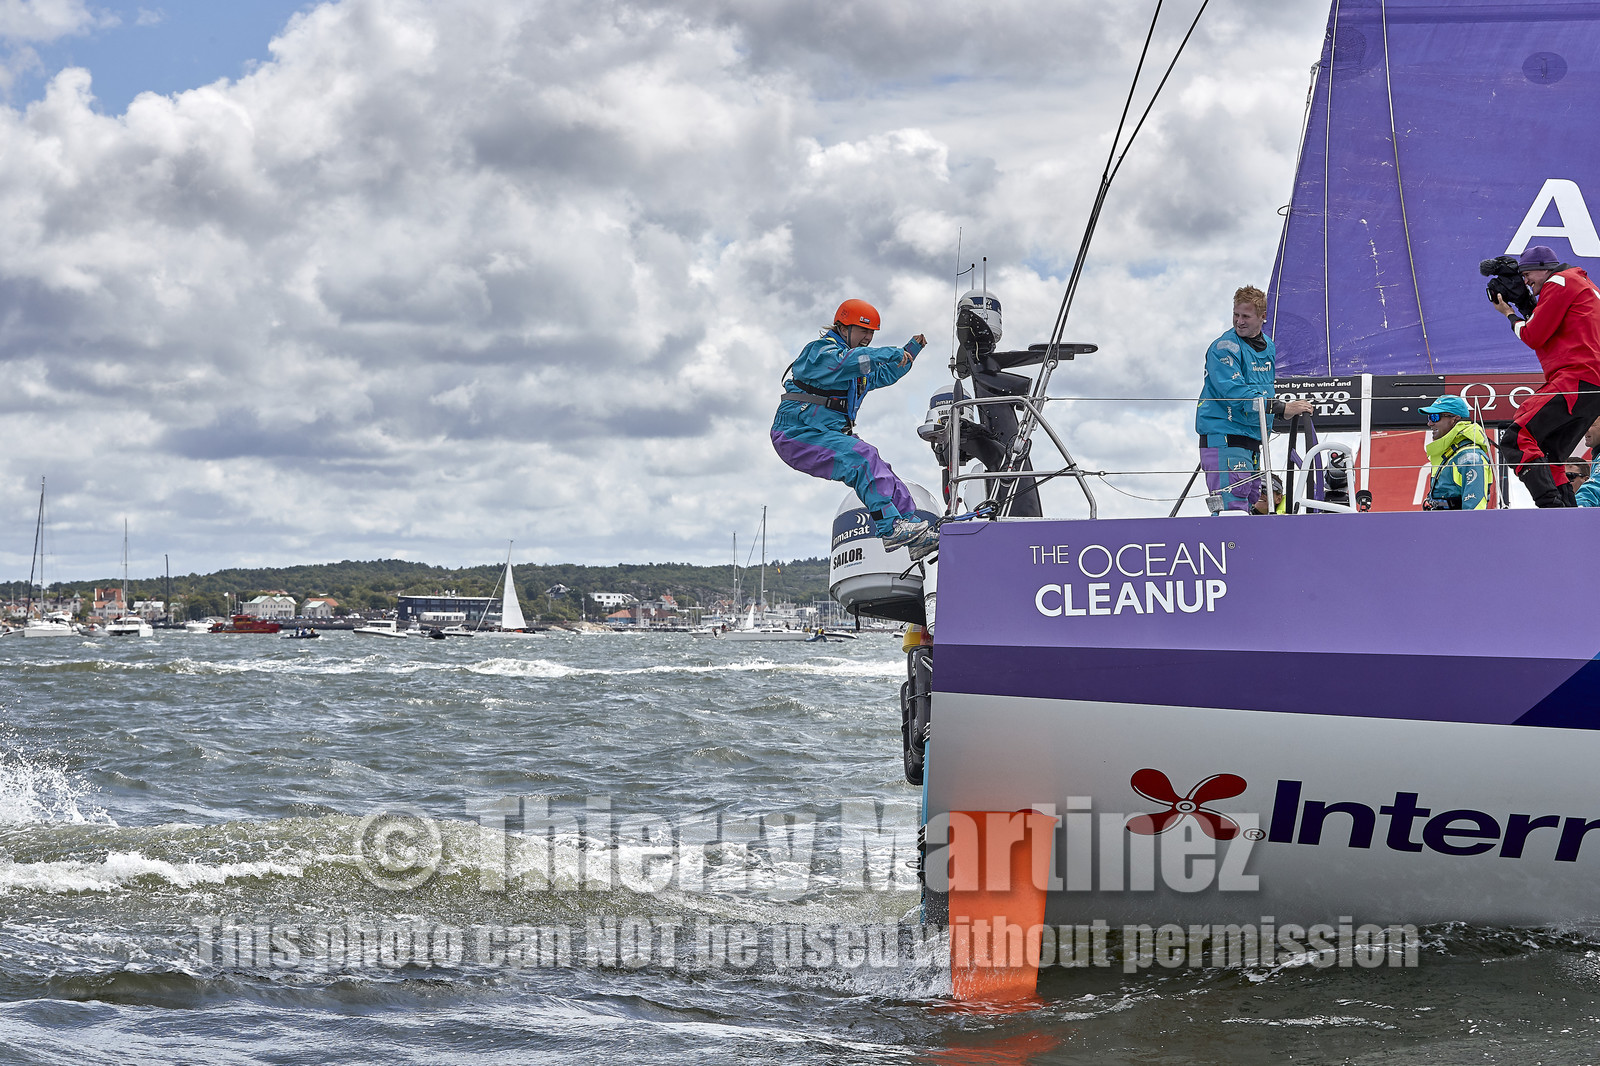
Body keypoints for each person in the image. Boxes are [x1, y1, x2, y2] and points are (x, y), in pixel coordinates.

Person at [771, 299, 937, 559]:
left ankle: (912, 529)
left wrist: (909, 352)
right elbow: (844, 362)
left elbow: (883, 374)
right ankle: (891, 528)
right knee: (862, 458)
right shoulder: (820, 352)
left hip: (827, 433)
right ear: (843, 327)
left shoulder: (858, 367)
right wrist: (890, 352)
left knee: (880, 467)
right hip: (796, 434)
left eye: (871, 333)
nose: (868, 338)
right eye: (863, 330)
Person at [1489, 245, 1600, 506]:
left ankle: (1551, 509)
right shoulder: (1581, 283)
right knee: (1550, 453)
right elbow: (1552, 328)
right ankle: (1566, 515)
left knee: (1515, 439)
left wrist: (1508, 313)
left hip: (1576, 377)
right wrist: (1526, 305)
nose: (1526, 281)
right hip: (1591, 384)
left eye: (1527, 274)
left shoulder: (1559, 282)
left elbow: (1533, 335)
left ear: (1544, 269)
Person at [1196, 285, 1313, 511]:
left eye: (1246, 316)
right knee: (1231, 509)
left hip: (1253, 440)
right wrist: (1282, 408)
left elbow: (1264, 390)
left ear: (1263, 316)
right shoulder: (1224, 347)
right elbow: (1235, 393)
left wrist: (1277, 414)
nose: (1239, 321)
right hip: (1226, 438)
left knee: (1251, 505)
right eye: (1236, 315)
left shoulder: (1269, 346)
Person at [1419, 395, 1491, 510]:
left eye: (1435, 417)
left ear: (1455, 419)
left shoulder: (1470, 457)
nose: (1430, 423)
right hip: (1441, 519)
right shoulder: (1453, 453)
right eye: (1429, 417)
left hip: (1453, 521)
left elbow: (1475, 510)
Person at [1576, 416, 1600, 507]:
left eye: (1591, 424)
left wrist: (1577, 508)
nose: (1585, 429)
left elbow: (1594, 488)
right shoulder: (1597, 457)